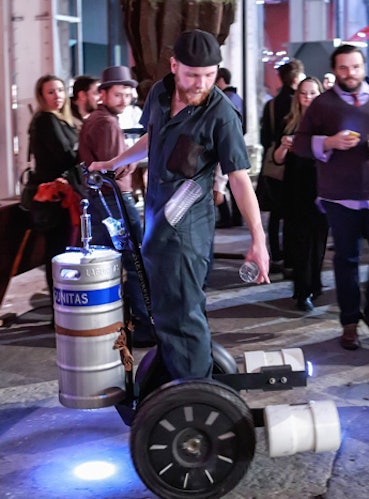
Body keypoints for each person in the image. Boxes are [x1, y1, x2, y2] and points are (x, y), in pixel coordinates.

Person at [89, 29, 270, 383]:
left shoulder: (222, 114)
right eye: (192, 75)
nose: (201, 83)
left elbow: (238, 177)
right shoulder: (159, 93)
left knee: (183, 314)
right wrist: (116, 161)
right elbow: (152, 137)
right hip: (156, 220)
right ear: (174, 66)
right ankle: (181, 380)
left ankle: (196, 396)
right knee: (166, 313)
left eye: (209, 75)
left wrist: (258, 240)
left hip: (187, 231)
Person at [294, 44, 369, 349]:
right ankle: (350, 322)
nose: (349, 73)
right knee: (346, 259)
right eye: (343, 68)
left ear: (363, 67)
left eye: (354, 67)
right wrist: (328, 142)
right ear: (335, 70)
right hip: (340, 196)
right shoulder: (322, 105)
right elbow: (300, 144)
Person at [79, 65, 154, 347]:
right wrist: (133, 161)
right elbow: (115, 170)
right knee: (134, 261)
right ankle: (146, 325)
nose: (125, 100)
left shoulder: (98, 118)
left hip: (102, 199)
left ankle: (108, 323)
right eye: (119, 95)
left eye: (128, 95)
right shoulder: (106, 122)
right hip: (114, 200)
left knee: (106, 262)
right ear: (103, 94)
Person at [273, 77, 328, 312]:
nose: (307, 97)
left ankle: (314, 284)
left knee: (319, 240)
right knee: (300, 241)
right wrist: (285, 146)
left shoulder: (327, 123)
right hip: (295, 188)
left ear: (320, 94)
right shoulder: (289, 121)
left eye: (312, 93)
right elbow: (276, 159)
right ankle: (302, 291)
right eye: (304, 93)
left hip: (321, 187)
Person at [28, 74, 78, 307]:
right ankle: (59, 307)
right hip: (54, 197)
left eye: (60, 90)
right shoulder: (47, 120)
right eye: (51, 92)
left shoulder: (60, 119)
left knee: (60, 249)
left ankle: (61, 304)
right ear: (41, 96)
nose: (57, 95)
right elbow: (65, 155)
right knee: (57, 250)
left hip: (61, 194)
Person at [259, 59, 305, 273]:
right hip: (294, 164)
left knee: (276, 212)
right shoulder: (298, 104)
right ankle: (290, 256)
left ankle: (275, 253)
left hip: (273, 163)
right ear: (296, 79)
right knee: (292, 212)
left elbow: (264, 137)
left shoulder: (271, 104)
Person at [214, 67, 244, 228]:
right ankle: (236, 217)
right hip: (237, 144)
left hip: (227, 145)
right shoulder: (236, 97)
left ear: (220, 79)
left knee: (224, 182)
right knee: (234, 183)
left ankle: (227, 217)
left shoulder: (226, 99)